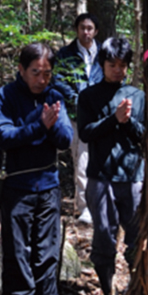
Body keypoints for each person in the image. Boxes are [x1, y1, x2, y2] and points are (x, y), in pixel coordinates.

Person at [0, 43, 73, 295]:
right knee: (17, 250)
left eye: (47, 73)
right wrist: (39, 126)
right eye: (35, 72)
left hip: (48, 185)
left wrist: (51, 126)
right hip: (16, 185)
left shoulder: (54, 96)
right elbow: (4, 136)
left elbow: (65, 139)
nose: (41, 79)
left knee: (48, 250)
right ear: (21, 69)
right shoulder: (5, 96)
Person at [76, 36, 145, 295]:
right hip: (100, 177)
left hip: (133, 178)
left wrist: (126, 122)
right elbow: (85, 133)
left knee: (137, 236)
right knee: (104, 237)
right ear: (102, 64)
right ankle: (108, 292)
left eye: (123, 64)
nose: (118, 69)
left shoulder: (137, 96)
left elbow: (143, 136)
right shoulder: (89, 97)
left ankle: (137, 289)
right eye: (112, 64)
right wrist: (113, 119)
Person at [52, 13, 103, 224]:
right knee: (82, 161)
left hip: (102, 116)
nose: (86, 32)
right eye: (82, 28)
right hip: (77, 115)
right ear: (77, 29)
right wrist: (78, 100)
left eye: (90, 28)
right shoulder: (65, 54)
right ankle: (85, 207)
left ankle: (103, 205)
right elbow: (58, 80)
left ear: (96, 31)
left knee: (103, 161)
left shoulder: (104, 53)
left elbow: (115, 76)